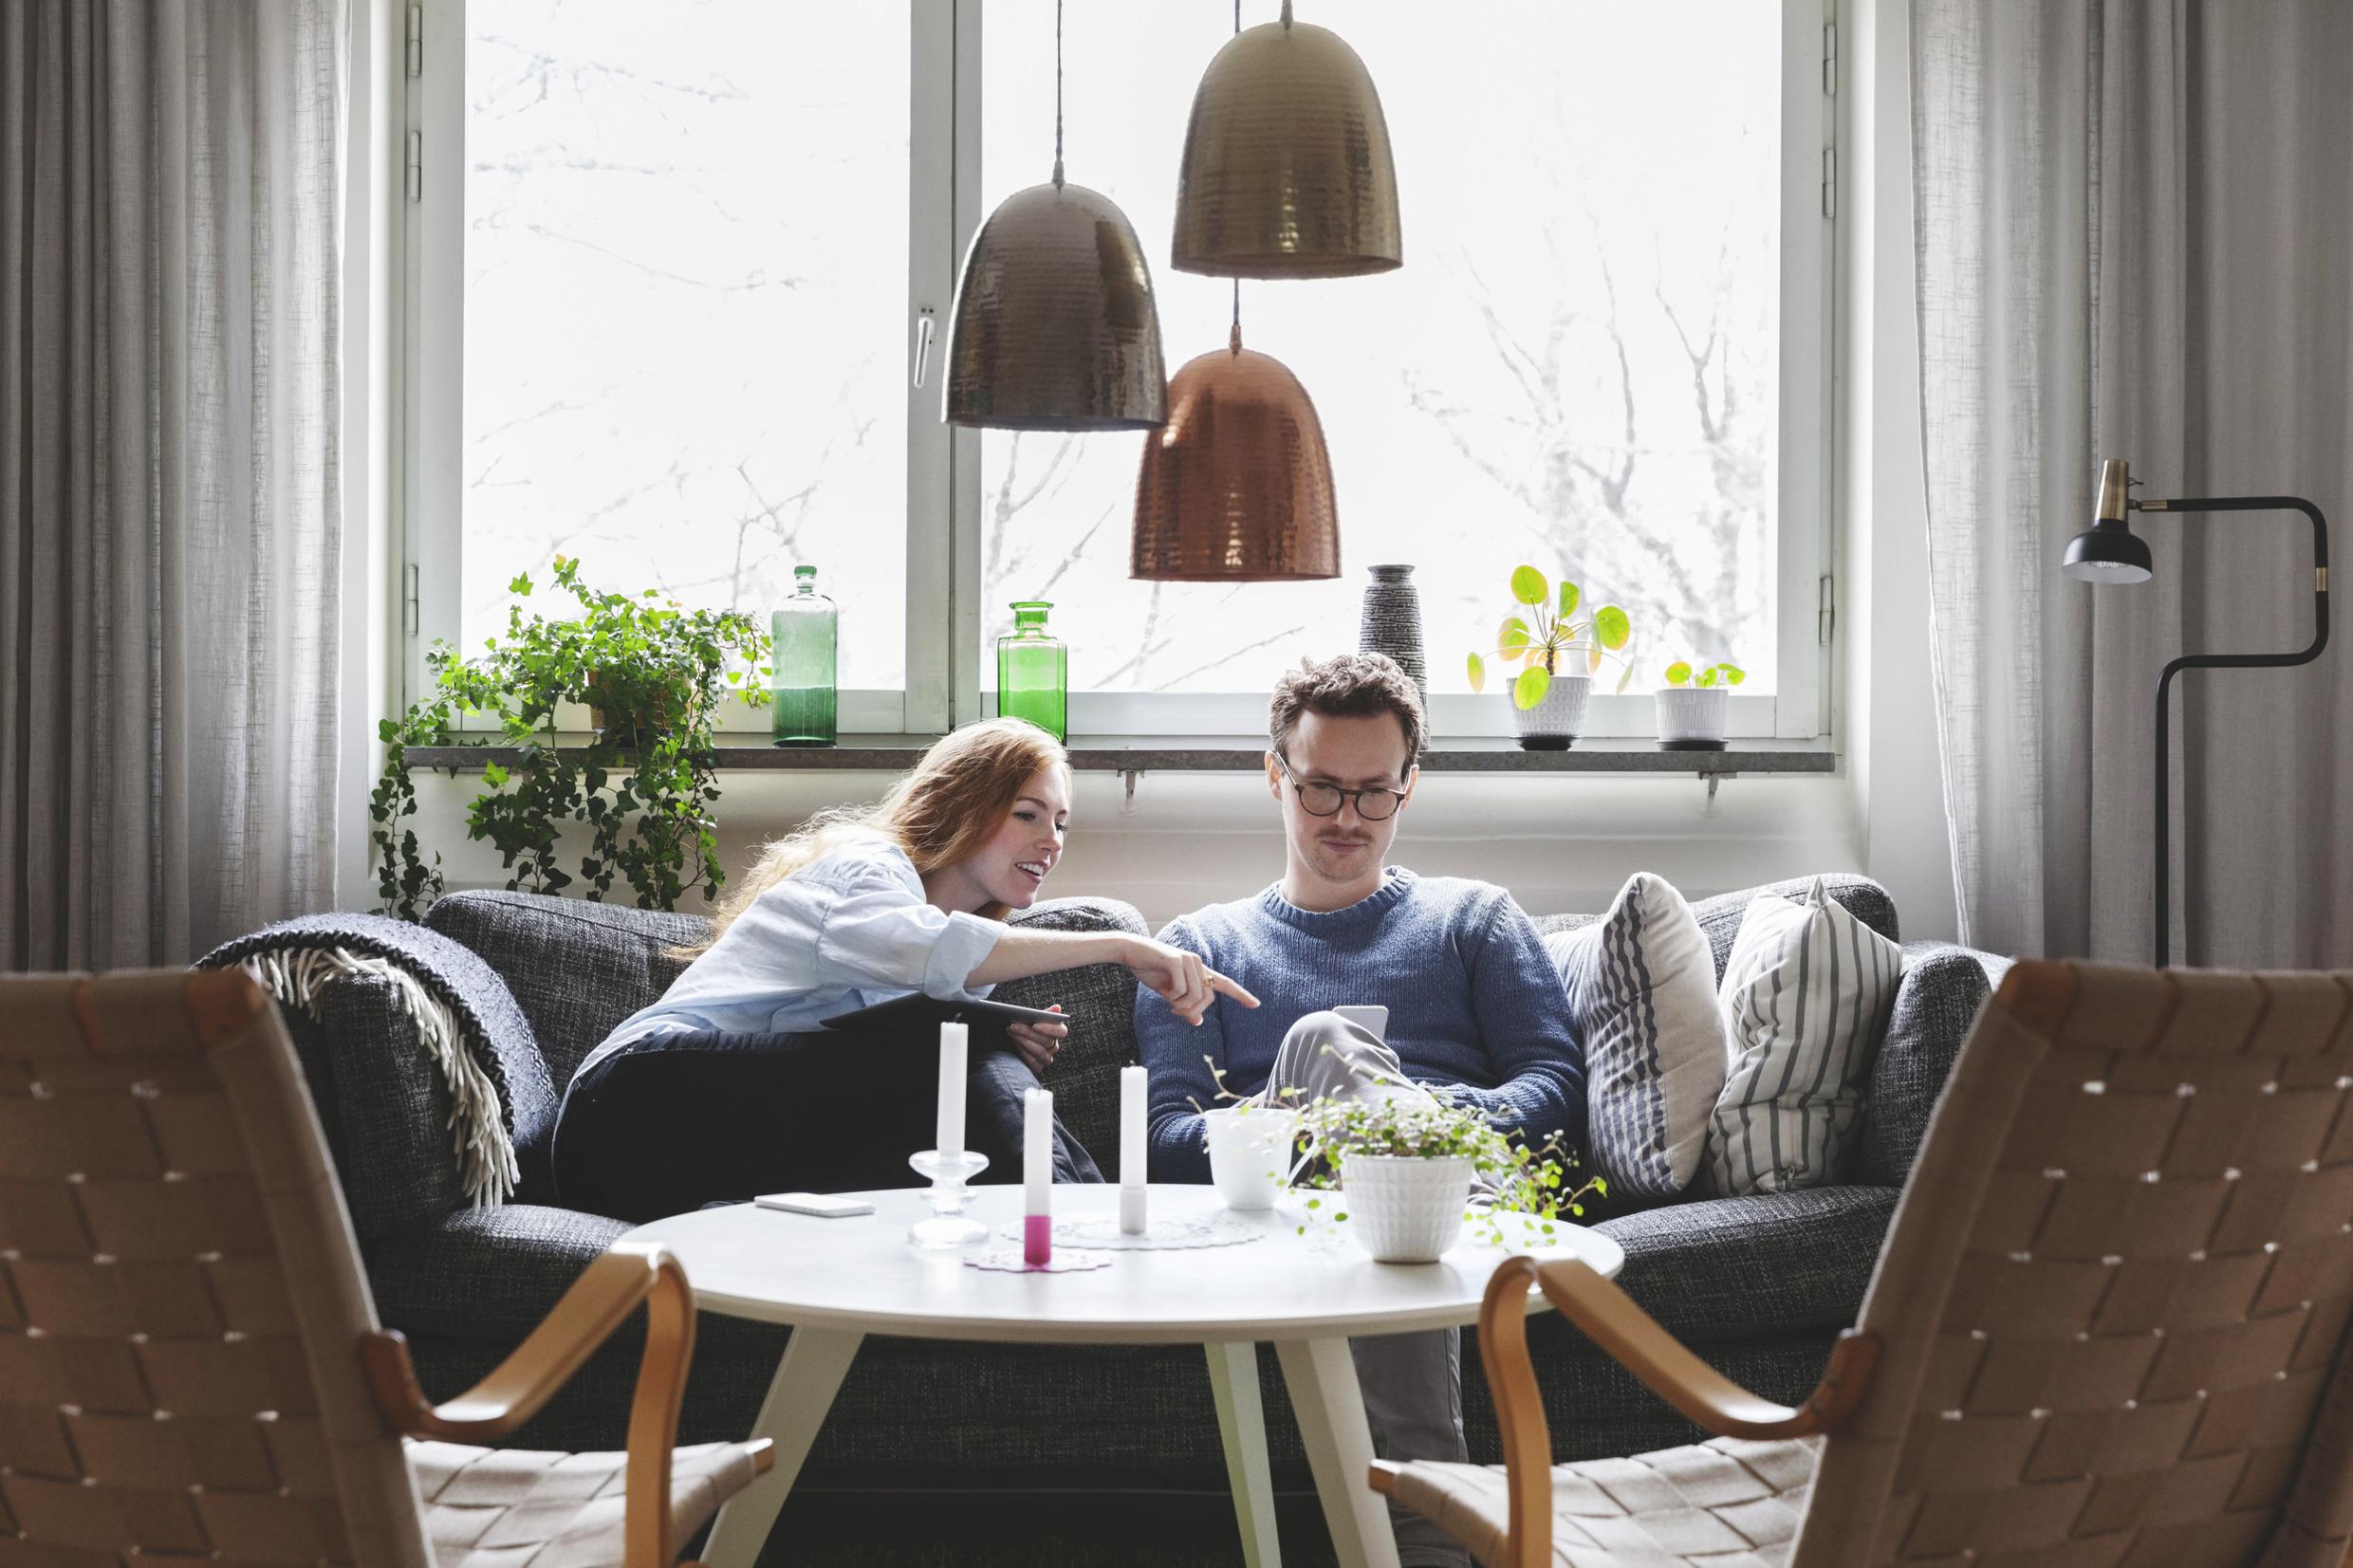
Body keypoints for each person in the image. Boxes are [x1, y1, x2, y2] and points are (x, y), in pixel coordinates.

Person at [1133, 654, 1586, 1568]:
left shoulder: (1476, 920)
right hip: (1291, 1210)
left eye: (1374, 793)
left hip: (1477, 1197)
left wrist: (1408, 1120)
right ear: (1275, 775)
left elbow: (1552, 1093)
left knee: (1343, 1062)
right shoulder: (1198, 948)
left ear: (1409, 788)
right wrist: (1311, 1111)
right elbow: (1163, 1140)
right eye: (1321, 789)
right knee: (1326, 1041)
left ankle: (1424, 1537)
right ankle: (1429, 1536)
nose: (1346, 818)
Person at [554, 717, 1257, 1223]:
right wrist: (1123, 946)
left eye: (1062, 822)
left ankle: (1069, 1228)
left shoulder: (960, 965)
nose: (1053, 841)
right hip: (631, 1106)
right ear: (964, 804)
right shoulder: (868, 867)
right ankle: (1088, 1229)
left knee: (959, 1061)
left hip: (709, 1146)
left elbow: (882, 1029)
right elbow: (929, 949)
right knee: (957, 1046)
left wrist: (978, 1030)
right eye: (1027, 813)